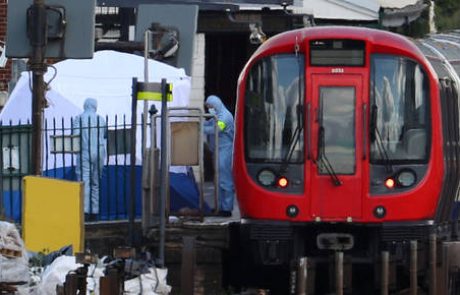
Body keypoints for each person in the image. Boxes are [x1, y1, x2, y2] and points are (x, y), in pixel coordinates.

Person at [73, 98, 107, 221]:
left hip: (84, 151)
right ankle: (95, 211)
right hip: (99, 152)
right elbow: (104, 136)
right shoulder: (101, 119)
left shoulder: (79, 118)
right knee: (95, 182)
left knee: (84, 182)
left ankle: (85, 211)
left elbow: (75, 135)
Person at [204, 95, 235, 217]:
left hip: (225, 151)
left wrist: (200, 128)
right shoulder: (216, 116)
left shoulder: (225, 117)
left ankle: (227, 208)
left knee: (225, 180)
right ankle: (220, 206)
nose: (209, 109)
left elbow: (217, 129)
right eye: (208, 107)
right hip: (218, 151)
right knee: (218, 180)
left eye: (210, 106)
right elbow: (208, 124)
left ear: (216, 105)